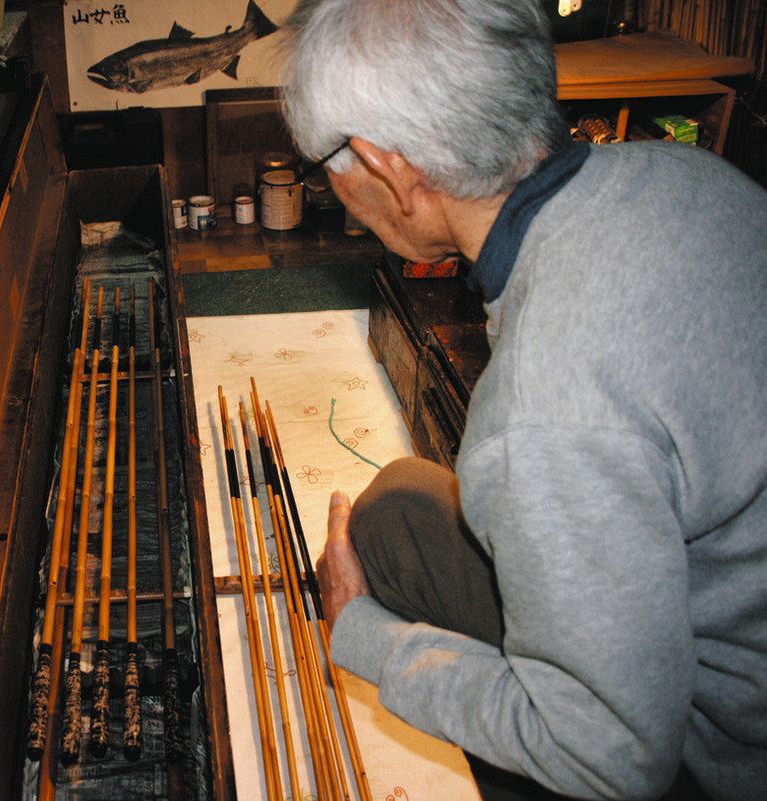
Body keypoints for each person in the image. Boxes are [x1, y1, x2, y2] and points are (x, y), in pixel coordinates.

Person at [280, 1, 767, 800]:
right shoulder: (685, 175)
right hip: (707, 602)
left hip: (724, 747)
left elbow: (610, 756)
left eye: (323, 165)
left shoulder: (544, 414)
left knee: (552, 736)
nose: (330, 187)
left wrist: (361, 633)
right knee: (403, 506)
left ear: (390, 169)